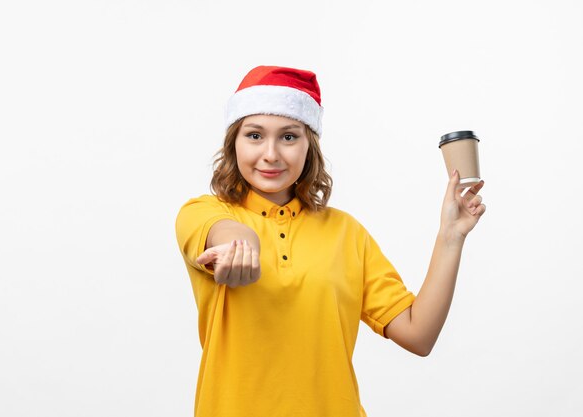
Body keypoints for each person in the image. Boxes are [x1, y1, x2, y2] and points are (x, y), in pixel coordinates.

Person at [175, 65, 486, 417]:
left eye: (289, 137)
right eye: (255, 135)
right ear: (234, 142)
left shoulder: (346, 233)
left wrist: (451, 235)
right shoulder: (201, 211)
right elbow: (226, 232)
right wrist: (241, 247)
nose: (271, 154)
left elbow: (419, 334)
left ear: (310, 146)